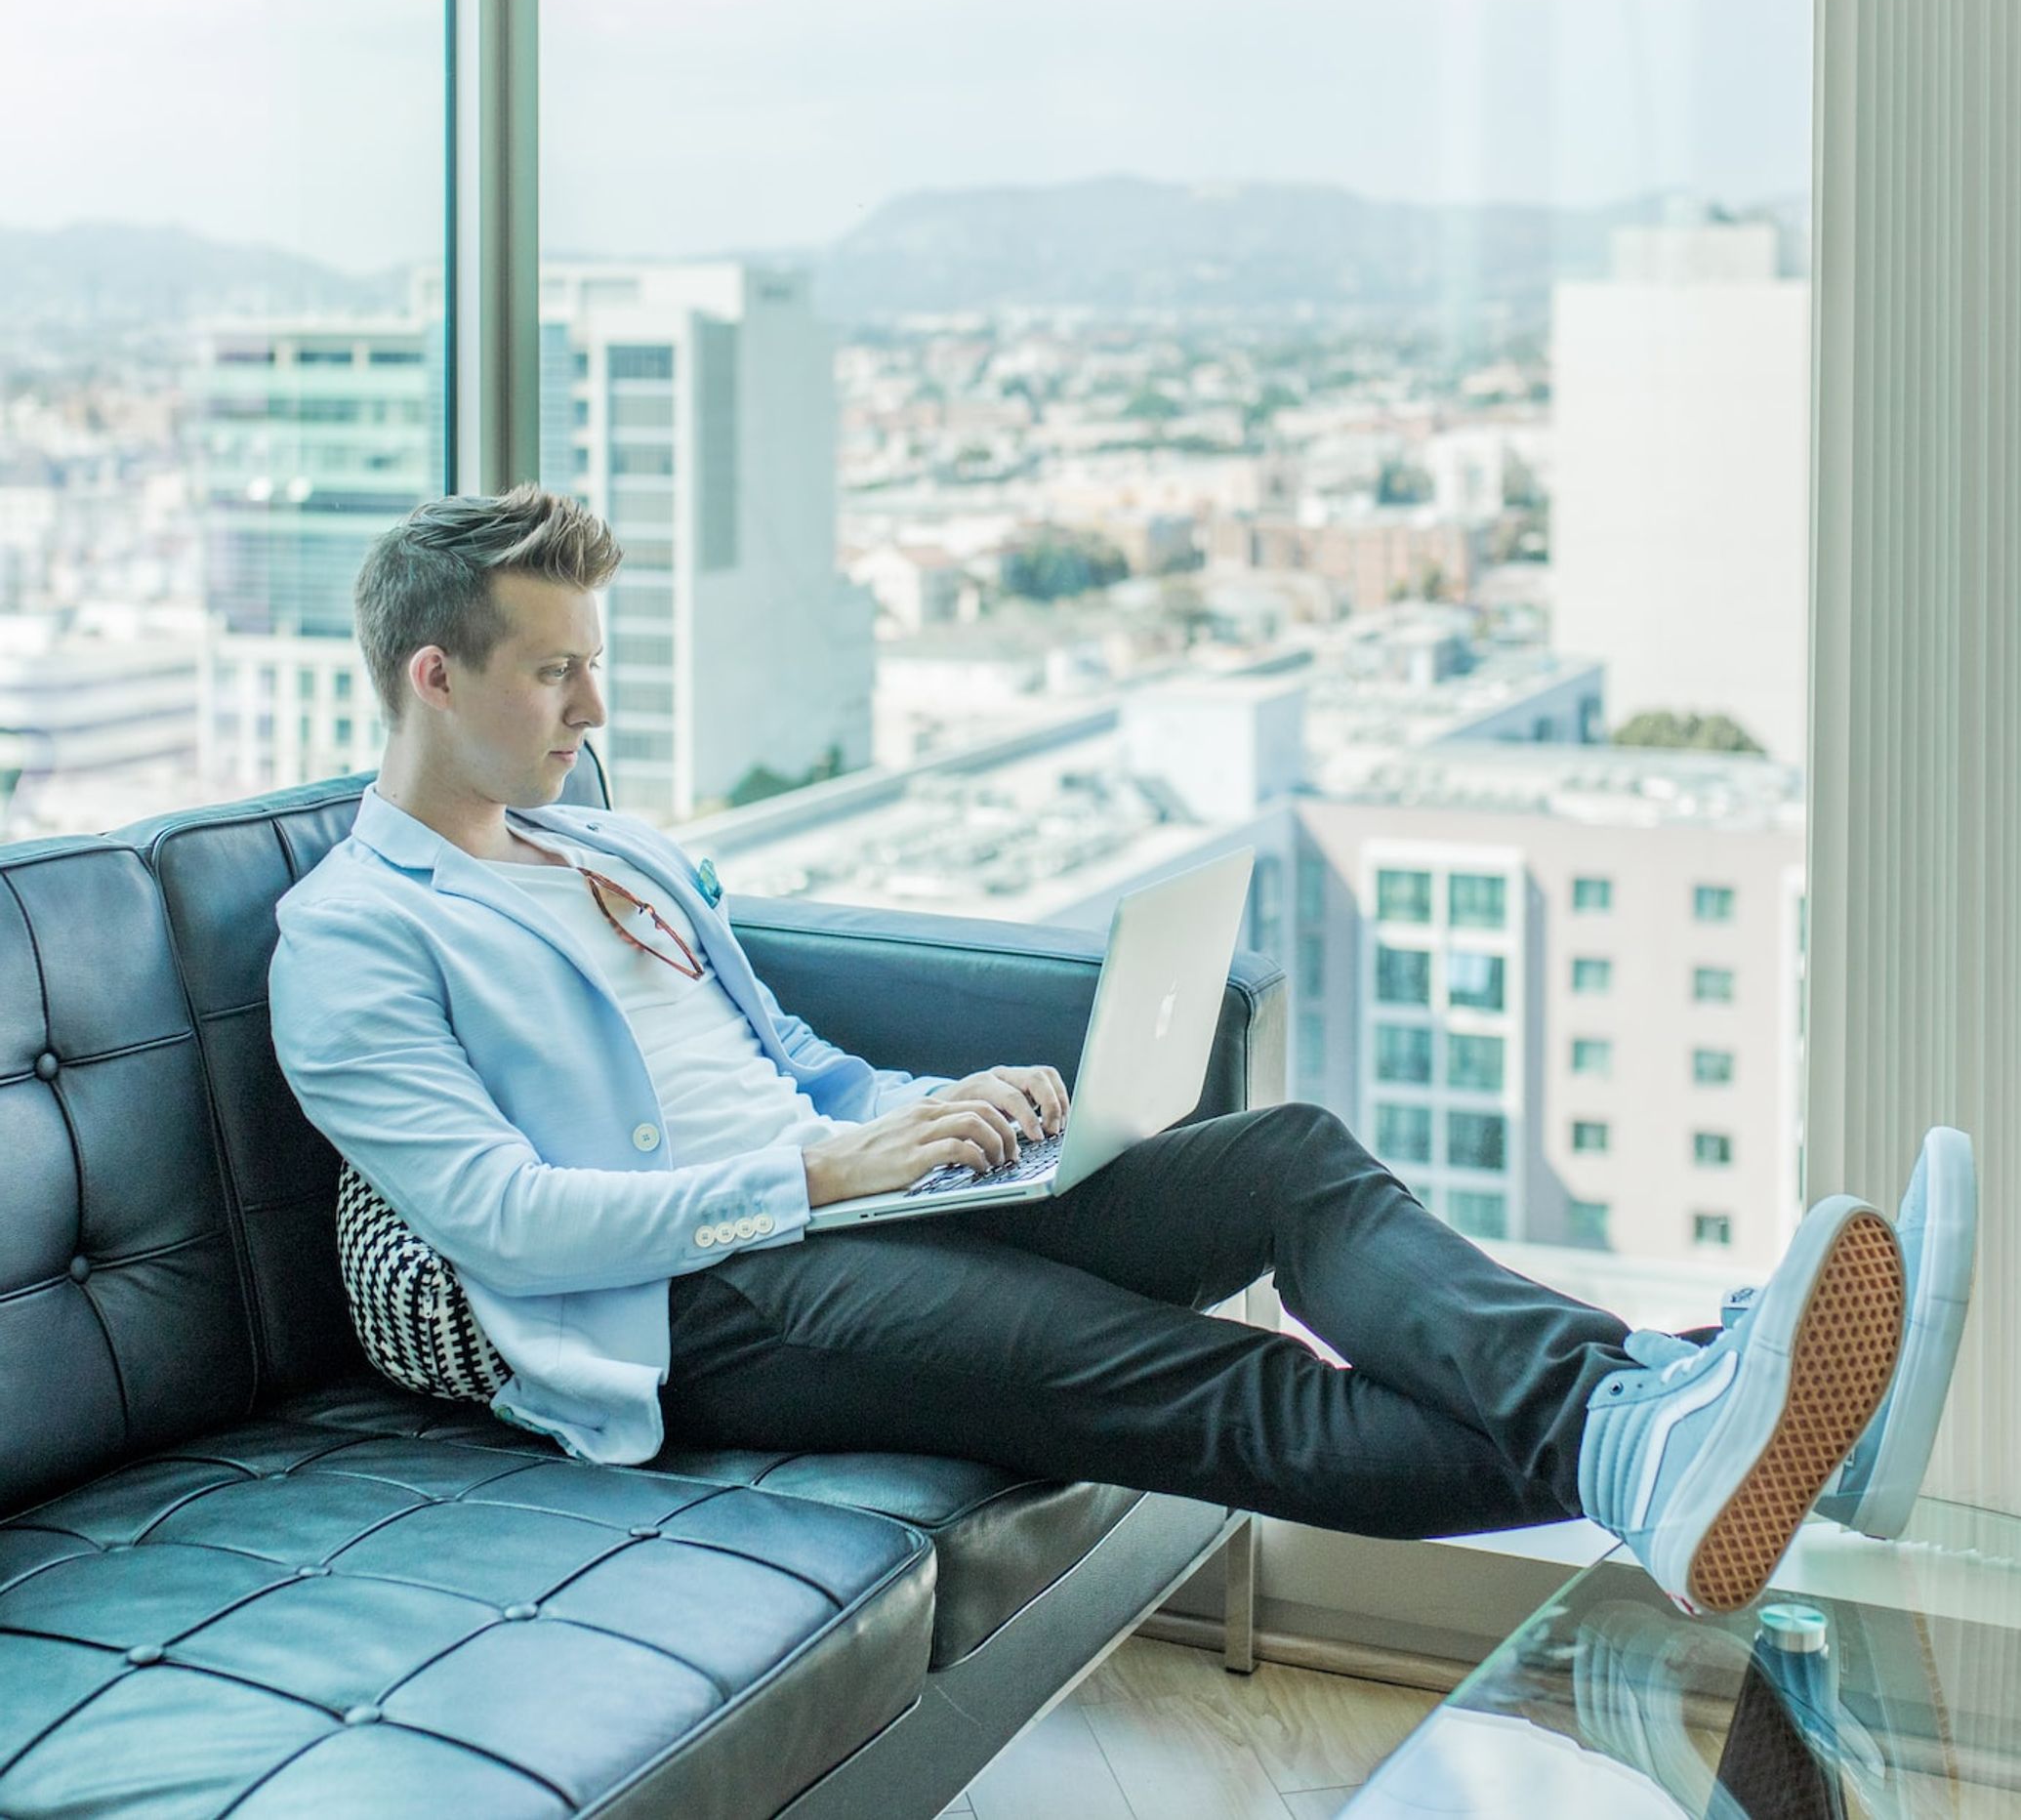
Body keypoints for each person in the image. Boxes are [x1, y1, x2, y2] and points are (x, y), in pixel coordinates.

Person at [269, 488, 1974, 1619]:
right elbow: (503, 1216)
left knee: (1288, 1158)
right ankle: (1696, 1420)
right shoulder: (353, 934)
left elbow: (776, 1045)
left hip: (853, 1204)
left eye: (592, 666)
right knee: (1188, 1375)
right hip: (701, 1303)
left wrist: (926, 1116)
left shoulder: (609, 848)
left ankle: (1671, 1421)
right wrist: (812, 1169)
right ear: (434, 674)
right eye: (554, 670)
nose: (588, 708)